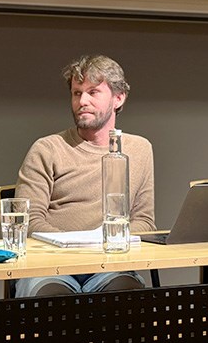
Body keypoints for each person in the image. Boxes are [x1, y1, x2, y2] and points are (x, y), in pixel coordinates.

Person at [14, 54, 156, 297]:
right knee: (53, 298)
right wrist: (79, 247)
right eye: (77, 93)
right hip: (51, 266)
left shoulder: (139, 149)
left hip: (111, 265)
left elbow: (144, 223)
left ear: (118, 98)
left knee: (129, 295)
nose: (83, 101)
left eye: (93, 92)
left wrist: (103, 249)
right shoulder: (47, 148)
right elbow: (28, 221)